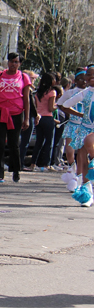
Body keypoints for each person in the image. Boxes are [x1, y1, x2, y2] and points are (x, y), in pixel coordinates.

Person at [0, 53, 31, 183]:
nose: (14, 64)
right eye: (12, 61)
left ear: (20, 64)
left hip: (16, 113)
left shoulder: (24, 77)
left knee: (14, 144)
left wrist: (27, 118)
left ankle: (16, 170)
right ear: (8, 62)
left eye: (16, 62)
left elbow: (27, 99)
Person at [60, 66, 94, 206]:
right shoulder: (85, 93)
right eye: (89, 75)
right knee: (83, 160)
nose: (91, 77)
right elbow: (65, 105)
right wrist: (80, 115)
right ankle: (86, 193)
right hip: (85, 129)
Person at [58, 69, 87, 190]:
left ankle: (79, 177)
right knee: (69, 150)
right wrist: (69, 113)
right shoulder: (71, 93)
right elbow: (60, 104)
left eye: (86, 79)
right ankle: (72, 165)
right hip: (73, 124)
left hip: (84, 126)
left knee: (82, 152)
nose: (84, 82)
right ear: (75, 80)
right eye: (81, 79)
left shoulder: (89, 92)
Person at [25, 72, 57, 171]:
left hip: (39, 118)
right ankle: (46, 164)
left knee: (39, 142)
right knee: (49, 142)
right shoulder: (52, 92)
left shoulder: (38, 92)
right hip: (48, 118)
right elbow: (51, 108)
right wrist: (58, 105)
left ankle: (33, 164)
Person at [19, 69, 38, 171]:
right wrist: (36, 115)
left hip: (18, 115)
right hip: (27, 116)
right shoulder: (27, 90)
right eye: (33, 78)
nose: (34, 80)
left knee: (19, 142)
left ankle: (17, 162)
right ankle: (20, 162)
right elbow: (31, 105)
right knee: (24, 142)